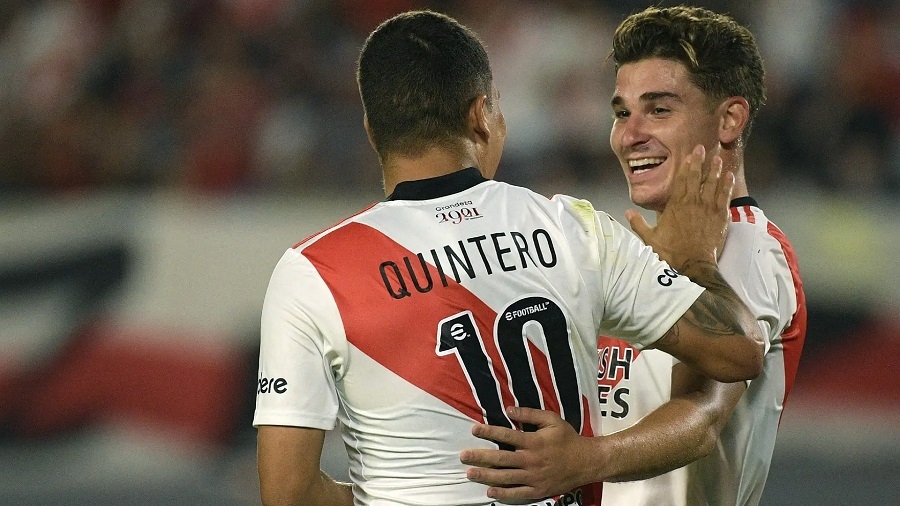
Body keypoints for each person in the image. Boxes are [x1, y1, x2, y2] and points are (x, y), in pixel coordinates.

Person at [253, 9, 765, 506]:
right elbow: (739, 351)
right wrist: (696, 259)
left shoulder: (313, 272)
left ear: (372, 130)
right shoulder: (573, 228)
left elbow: (287, 492)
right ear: (481, 114)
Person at [460, 5, 807, 506]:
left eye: (659, 110)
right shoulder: (625, 251)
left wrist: (583, 461)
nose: (628, 135)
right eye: (622, 112)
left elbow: (704, 416)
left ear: (729, 119)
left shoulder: (753, 250)